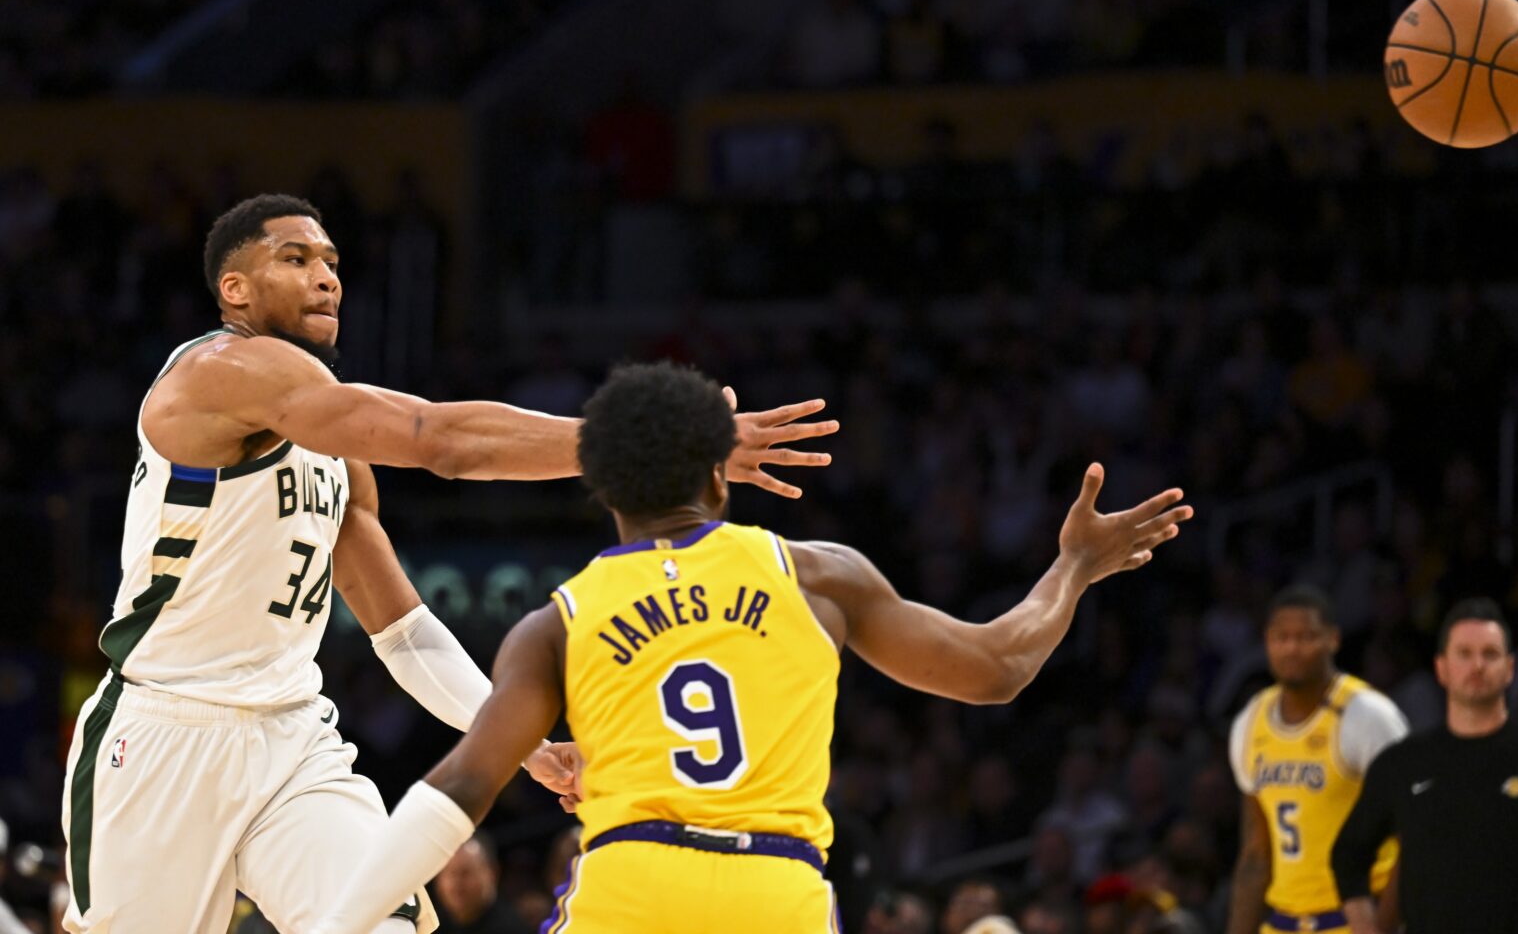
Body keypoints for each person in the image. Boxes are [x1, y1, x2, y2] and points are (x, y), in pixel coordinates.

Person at [61, 196, 837, 934]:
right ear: (234, 289)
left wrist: (523, 744)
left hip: (290, 732)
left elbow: (401, 629)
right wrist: (663, 439)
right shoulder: (217, 373)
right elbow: (440, 439)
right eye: (295, 259)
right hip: (165, 731)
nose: (327, 275)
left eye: (331, 260)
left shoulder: (328, 438)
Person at [313, 360, 1192, 933]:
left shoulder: (559, 620)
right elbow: (999, 668)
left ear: (601, 486)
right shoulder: (817, 575)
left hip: (632, 884)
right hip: (778, 892)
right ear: (717, 472)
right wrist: (1074, 567)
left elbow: (459, 789)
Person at [1332, 598, 1518, 934]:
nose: (1478, 666)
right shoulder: (1404, 762)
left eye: (1490, 654)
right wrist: (1366, 927)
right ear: (1441, 667)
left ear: (1510, 668)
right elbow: (1348, 855)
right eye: (1464, 654)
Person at [1225, 587, 1408, 934]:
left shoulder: (1368, 715)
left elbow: (1413, 835)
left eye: (1306, 636)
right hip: (1283, 922)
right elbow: (1254, 856)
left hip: (1354, 919)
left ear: (1333, 640)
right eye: (1282, 637)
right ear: (1267, 642)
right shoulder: (1251, 720)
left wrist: (1384, 926)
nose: (1292, 648)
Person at [433, 834, 531, 934]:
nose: (457, 883)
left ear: (492, 873)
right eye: (451, 873)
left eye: (465, 872)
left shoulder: (512, 928)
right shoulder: (430, 924)